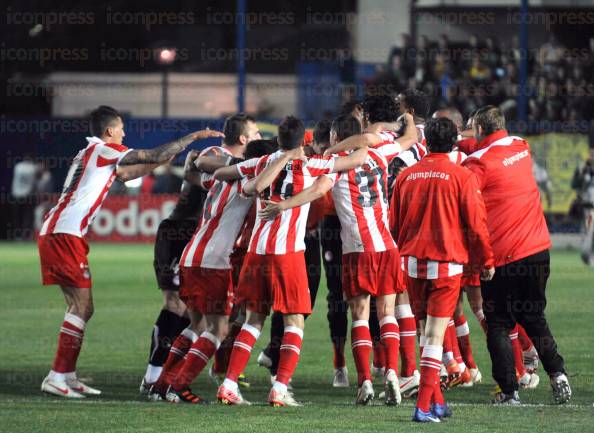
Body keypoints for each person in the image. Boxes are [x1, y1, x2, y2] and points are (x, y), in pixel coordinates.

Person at [37, 105, 223, 398]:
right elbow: (150, 155)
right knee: (81, 307)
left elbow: (128, 173)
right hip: (64, 234)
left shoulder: (96, 155)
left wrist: (165, 157)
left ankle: (67, 376)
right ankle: (57, 376)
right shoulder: (103, 150)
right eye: (121, 127)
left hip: (63, 232)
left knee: (82, 307)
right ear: (109, 131)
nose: (124, 132)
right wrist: (192, 137)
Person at [260, 111, 418, 405]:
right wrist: (407, 118)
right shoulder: (380, 151)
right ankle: (394, 376)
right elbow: (410, 138)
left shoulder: (336, 165)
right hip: (387, 244)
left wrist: (283, 206)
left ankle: (366, 382)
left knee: (359, 314)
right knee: (387, 313)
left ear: (335, 136)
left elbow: (318, 189)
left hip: (358, 248)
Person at [214, 116, 368, 407]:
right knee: (294, 321)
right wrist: (344, 146)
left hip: (256, 252)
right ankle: (280, 388)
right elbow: (359, 157)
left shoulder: (260, 163)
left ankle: (229, 383)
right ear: (302, 141)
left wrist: (242, 181)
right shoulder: (311, 165)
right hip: (288, 254)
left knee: (253, 320)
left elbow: (223, 172)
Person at [463, 105, 571, 405]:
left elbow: (471, 205)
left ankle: (509, 391)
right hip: (538, 250)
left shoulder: (477, 165)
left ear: (480, 130)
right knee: (534, 316)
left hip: (503, 258)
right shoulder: (520, 146)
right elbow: (487, 145)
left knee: (498, 322)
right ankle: (558, 374)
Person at [391, 117, 494, 422]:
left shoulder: (407, 176)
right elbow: (476, 226)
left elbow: (394, 225)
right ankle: (423, 407)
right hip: (446, 265)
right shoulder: (461, 177)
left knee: (426, 333)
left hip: (412, 264)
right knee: (435, 336)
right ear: (453, 143)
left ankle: (436, 401)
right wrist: (485, 260)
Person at [139, 150, 204, 395]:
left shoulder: (248, 164)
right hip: (179, 233)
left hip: (201, 240)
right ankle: (153, 375)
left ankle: (166, 375)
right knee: (174, 304)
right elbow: (191, 165)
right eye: (252, 132)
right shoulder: (214, 157)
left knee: (193, 311)